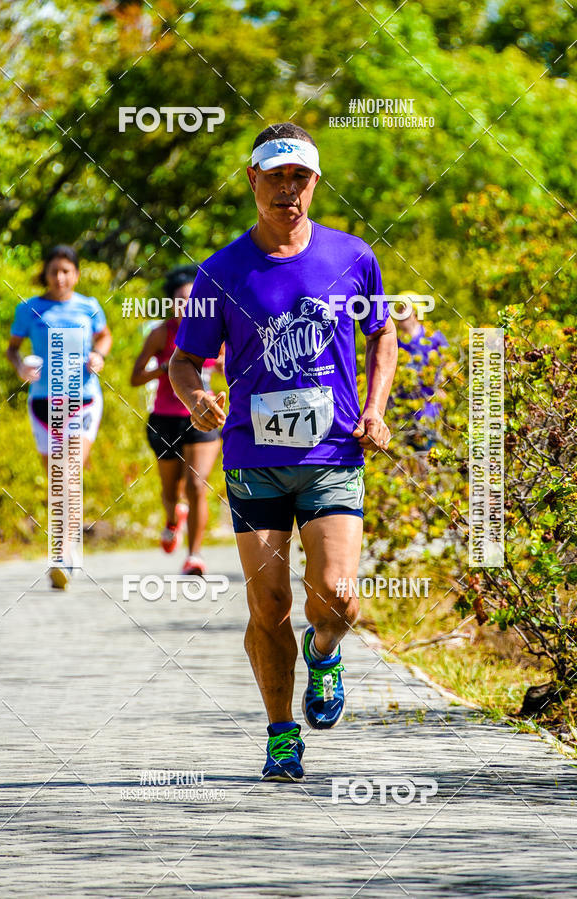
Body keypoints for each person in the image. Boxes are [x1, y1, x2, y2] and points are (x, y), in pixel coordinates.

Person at [170, 123, 398, 781]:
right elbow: (186, 362)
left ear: (315, 183)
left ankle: (324, 652)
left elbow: (381, 333)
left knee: (337, 595)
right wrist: (197, 398)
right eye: (274, 176)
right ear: (252, 181)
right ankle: (279, 735)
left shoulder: (352, 256)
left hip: (332, 454)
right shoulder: (221, 271)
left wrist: (376, 407)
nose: (287, 189)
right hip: (251, 456)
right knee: (267, 605)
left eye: (299, 177)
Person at [7, 245, 112, 589]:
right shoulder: (30, 308)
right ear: (46, 274)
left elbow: (104, 336)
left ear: (76, 275)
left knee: (69, 473)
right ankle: (66, 551)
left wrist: (98, 354)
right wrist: (21, 365)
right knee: (56, 480)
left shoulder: (89, 306)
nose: (60, 277)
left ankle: (63, 554)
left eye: (67, 271)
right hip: (43, 403)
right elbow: (12, 348)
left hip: (82, 399)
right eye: (54, 271)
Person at [130, 265, 223, 575]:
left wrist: (225, 366)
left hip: (201, 418)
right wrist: (164, 369)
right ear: (170, 302)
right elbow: (135, 377)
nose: (187, 306)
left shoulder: (211, 331)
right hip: (164, 420)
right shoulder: (161, 334)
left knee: (197, 486)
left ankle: (194, 555)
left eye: (192, 299)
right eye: (180, 300)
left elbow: (227, 365)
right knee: (171, 491)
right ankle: (173, 518)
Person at [395, 295, 448, 452]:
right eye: (397, 311)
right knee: (409, 460)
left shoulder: (433, 337)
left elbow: (448, 365)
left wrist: (442, 385)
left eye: (403, 310)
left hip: (429, 410)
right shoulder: (395, 342)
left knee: (430, 457)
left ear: (416, 313)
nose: (399, 315)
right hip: (404, 412)